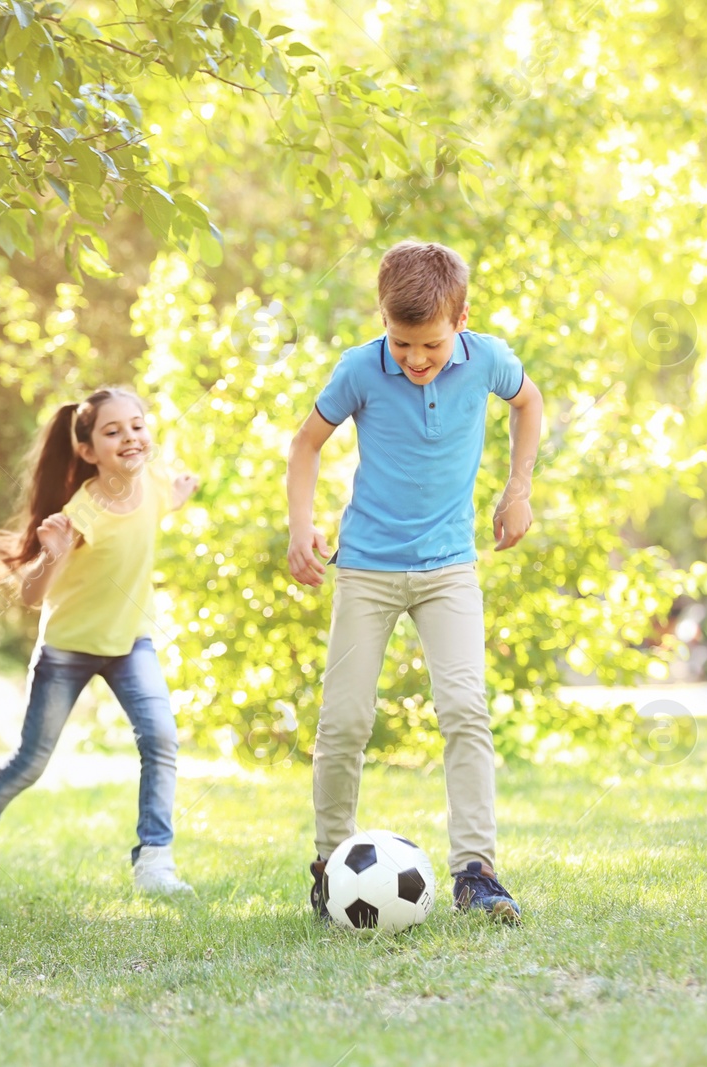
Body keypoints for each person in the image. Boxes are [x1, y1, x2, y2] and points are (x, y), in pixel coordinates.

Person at [285, 239, 544, 924]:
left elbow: (529, 401)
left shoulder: (487, 358)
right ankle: (330, 867)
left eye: (429, 344)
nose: (415, 359)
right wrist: (301, 526)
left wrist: (518, 490)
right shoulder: (360, 368)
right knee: (343, 721)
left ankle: (476, 872)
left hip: (448, 567)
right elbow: (306, 442)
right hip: (366, 568)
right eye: (402, 343)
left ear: (461, 320)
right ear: (383, 322)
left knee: (465, 711)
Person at [0, 388, 199, 899]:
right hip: (67, 649)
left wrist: (179, 493)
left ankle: (155, 859)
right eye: (113, 431)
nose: (130, 437)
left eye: (137, 426)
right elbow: (32, 595)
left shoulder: (151, 481)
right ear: (88, 452)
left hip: (130, 642)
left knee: (161, 738)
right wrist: (51, 553)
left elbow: (154, 508)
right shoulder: (83, 513)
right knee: (30, 763)